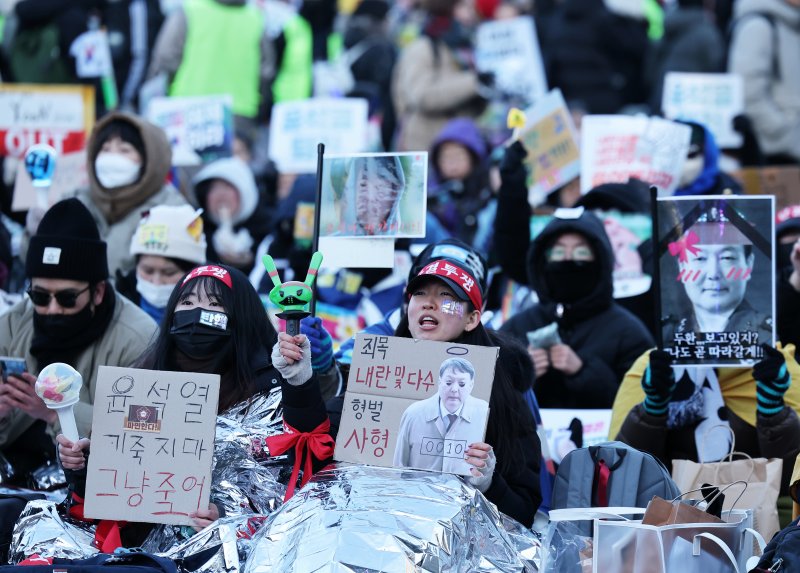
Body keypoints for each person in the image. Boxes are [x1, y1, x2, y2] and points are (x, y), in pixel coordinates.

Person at [58, 263, 330, 543]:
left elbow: (294, 473)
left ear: (240, 314)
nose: (198, 313)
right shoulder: (142, 380)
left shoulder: (270, 385)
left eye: (215, 304)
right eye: (187, 302)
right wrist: (84, 464)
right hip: (136, 549)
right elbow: (110, 492)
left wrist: (226, 514)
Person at [0, 198, 156, 483]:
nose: (52, 309)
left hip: (96, 484)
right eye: (39, 296)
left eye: (67, 297)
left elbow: (145, 430)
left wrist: (55, 413)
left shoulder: (137, 337)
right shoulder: (12, 324)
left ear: (98, 292)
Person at [388, 257, 542, 526]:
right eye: (420, 293)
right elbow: (325, 444)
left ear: (471, 319)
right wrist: (309, 380)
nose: (429, 303)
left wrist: (489, 484)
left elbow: (524, 511)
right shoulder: (378, 375)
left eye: (446, 296)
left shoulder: (502, 395)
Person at [610, 345, 800, 509]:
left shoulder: (776, 365)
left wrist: (773, 412)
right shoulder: (655, 365)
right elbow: (626, 475)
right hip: (669, 520)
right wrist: (653, 410)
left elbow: (793, 481)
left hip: (763, 520)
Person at [500, 208, 654, 408]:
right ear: (541, 260)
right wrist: (522, 374)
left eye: (581, 252)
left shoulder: (629, 332)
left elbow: (643, 406)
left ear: (601, 261)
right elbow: (485, 401)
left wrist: (583, 371)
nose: (568, 259)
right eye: (558, 252)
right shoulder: (515, 329)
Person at [65, 111, 187, 277]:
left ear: (149, 160)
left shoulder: (172, 210)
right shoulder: (74, 202)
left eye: (124, 150)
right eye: (105, 149)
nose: (111, 159)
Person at [661, 200, 772, 348]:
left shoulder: (770, 338)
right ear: (682, 266)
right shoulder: (666, 335)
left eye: (727, 258)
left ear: (749, 265)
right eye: (700, 258)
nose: (713, 273)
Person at [147, 0, 275, 122]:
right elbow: (266, 72)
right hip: (239, 113)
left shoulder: (190, 10)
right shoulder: (255, 18)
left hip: (187, 110)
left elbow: (166, 60)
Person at [391, 0, 492, 152]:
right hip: (426, 147)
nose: (471, 13)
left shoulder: (465, 49)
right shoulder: (423, 48)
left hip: (460, 148)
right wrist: (474, 81)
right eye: (463, 6)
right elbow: (422, 95)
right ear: (445, 8)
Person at [728, 0, 800, 165]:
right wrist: (782, 130)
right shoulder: (758, 25)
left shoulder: (789, 24)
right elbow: (747, 93)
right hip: (773, 153)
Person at [393, 357, 489, 473]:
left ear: (471, 385)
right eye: (448, 383)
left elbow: (488, 471)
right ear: (439, 382)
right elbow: (398, 466)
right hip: (417, 484)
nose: (454, 389)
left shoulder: (484, 413)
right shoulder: (413, 414)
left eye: (462, 384)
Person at [116, 205, 208, 324]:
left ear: (194, 271)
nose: (156, 282)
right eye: (148, 271)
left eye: (169, 273)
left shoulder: (215, 311)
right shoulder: (116, 304)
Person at [193, 157, 271, 274]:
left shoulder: (266, 228)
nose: (221, 194)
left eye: (227, 186)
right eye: (213, 188)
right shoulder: (197, 231)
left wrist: (248, 262)